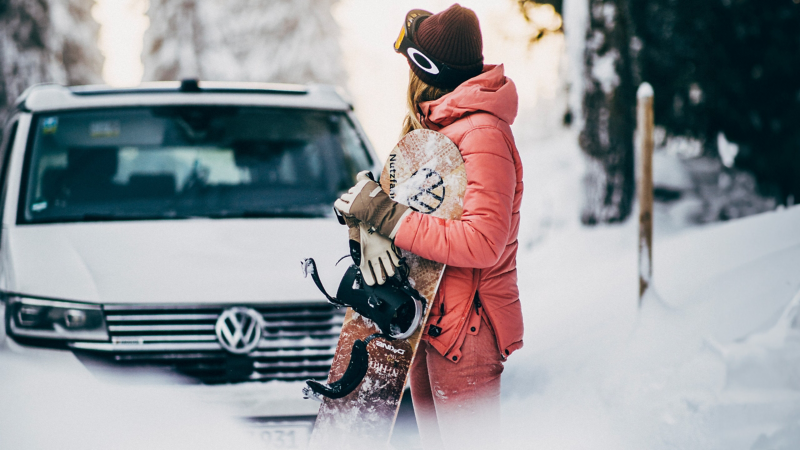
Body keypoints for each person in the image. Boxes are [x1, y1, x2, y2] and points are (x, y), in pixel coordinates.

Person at [334, 4, 523, 449]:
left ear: (425, 70)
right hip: (428, 316)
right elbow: (403, 206)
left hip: (466, 330)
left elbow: (482, 242)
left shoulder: (483, 134)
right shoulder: (440, 130)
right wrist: (367, 220)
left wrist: (385, 217)